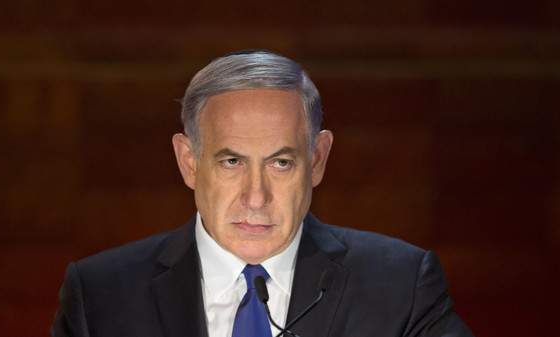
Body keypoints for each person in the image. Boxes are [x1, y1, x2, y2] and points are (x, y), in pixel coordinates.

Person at [51, 49, 474, 337]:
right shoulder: (101, 296)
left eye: (281, 163)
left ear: (318, 161)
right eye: (231, 162)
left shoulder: (401, 285)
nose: (256, 198)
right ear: (189, 162)